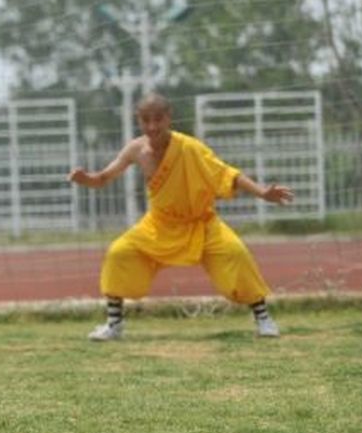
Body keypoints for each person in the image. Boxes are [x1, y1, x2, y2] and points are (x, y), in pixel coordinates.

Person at [68, 93, 294, 341]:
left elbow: (227, 174)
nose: (152, 126)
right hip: (159, 225)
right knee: (119, 253)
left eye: (158, 119)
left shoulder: (189, 147)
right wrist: (85, 179)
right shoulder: (136, 149)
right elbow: (103, 178)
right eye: (146, 120)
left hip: (202, 223)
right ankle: (114, 325)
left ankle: (263, 319)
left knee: (236, 254)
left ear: (169, 118)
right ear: (138, 121)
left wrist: (262, 192)